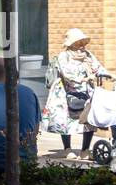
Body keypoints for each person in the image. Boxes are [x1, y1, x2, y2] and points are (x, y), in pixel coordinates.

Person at [44, 28, 110, 158]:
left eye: (83, 42)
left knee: (88, 120)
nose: (82, 45)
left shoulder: (88, 55)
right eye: (79, 42)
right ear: (71, 43)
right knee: (66, 120)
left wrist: (108, 74)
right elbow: (67, 74)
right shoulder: (64, 56)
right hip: (66, 91)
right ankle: (67, 149)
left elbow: (98, 68)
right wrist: (84, 79)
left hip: (86, 91)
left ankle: (85, 150)